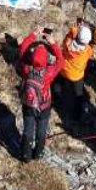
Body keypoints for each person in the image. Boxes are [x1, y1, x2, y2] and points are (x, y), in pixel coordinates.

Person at [17, 27, 64, 162]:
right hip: (44, 105)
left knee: (28, 130)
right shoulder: (48, 73)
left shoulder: (27, 69)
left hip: (29, 104)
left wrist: (34, 34)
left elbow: (22, 51)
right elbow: (60, 61)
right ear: (46, 60)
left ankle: (26, 155)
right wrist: (52, 43)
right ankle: (38, 153)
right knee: (41, 131)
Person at [58, 23, 95, 122]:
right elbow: (90, 49)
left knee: (63, 87)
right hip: (77, 76)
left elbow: (68, 36)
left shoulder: (68, 44)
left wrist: (75, 29)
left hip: (64, 71)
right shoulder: (87, 50)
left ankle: (59, 99)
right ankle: (78, 114)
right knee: (78, 94)